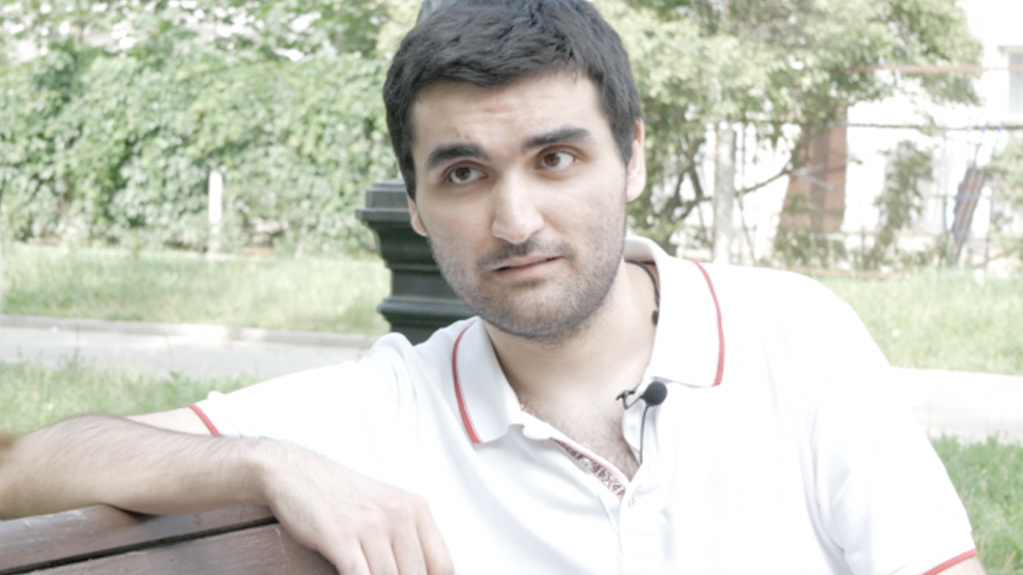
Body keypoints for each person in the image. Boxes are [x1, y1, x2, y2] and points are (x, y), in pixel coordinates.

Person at [0, 0, 985, 574]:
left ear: (633, 157)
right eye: (464, 173)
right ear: (417, 204)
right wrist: (266, 463)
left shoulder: (794, 335)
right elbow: (27, 467)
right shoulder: (387, 405)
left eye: (555, 158)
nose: (514, 220)